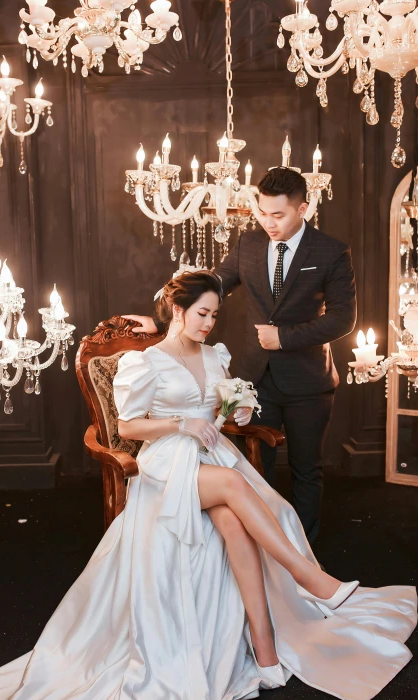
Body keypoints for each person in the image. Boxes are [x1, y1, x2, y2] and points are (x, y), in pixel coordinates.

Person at [0, 271, 417, 700]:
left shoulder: (217, 356)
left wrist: (240, 407)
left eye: (214, 315)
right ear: (177, 308)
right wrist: (180, 423)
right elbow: (127, 427)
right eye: (202, 314)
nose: (209, 324)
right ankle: (312, 579)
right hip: (166, 463)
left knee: (234, 522)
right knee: (234, 486)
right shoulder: (142, 361)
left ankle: (267, 652)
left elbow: (223, 413)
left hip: (210, 457)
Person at [125, 167, 357, 544]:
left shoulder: (331, 251)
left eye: (278, 214)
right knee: (252, 469)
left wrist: (283, 337)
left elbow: (343, 319)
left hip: (308, 383)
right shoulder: (249, 244)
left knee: (306, 471)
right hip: (253, 379)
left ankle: (303, 555)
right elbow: (210, 286)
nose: (268, 222)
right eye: (262, 212)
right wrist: (160, 319)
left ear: (303, 208)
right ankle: (262, 549)